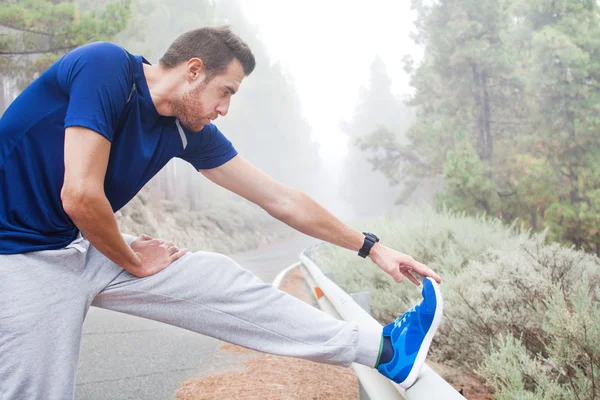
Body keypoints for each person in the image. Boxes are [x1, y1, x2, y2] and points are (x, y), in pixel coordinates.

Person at [0, 26, 443, 400]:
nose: (224, 109)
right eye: (225, 91)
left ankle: (386, 349)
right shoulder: (107, 68)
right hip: (17, 255)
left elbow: (281, 200)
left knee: (214, 276)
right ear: (194, 71)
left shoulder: (188, 131)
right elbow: (78, 195)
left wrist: (372, 246)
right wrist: (132, 259)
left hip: (77, 241)